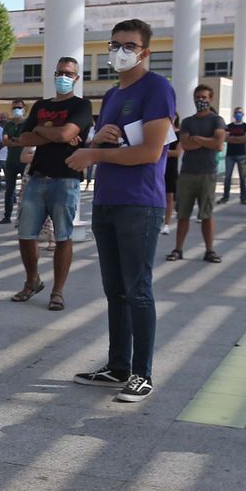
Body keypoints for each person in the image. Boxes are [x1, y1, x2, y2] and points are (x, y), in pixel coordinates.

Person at [67, 20, 174, 402]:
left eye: (129, 45)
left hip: (140, 202)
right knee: (115, 290)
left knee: (138, 290)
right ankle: (118, 366)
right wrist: (98, 140)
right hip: (107, 200)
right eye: (115, 44)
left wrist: (91, 152)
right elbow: (112, 146)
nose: (120, 51)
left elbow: (150, 152)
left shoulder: (157, 88)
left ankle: (142, 373)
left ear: (146, 51)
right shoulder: (111, 94)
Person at [12, 57, 94, 311]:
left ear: (76, 78)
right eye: (59, 72)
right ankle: (32, 281)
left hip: (66, 180)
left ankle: (58, 291)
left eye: (69, 73)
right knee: (25, 235)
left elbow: (64, 135)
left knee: (63, 237)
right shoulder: (41, 105)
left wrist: (43, 131)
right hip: (37, 178)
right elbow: (23, 137)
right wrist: (52, 132)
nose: (64, 77)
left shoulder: (82, 106)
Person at [168, 85, 225, 263]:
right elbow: (186, 144)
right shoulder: (187, 122)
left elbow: (218, 143)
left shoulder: (217, 120)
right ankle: (178, 249)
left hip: (207, 173)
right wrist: (205, 141)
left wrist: (197, 139)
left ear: (211, 99)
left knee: (206, 214)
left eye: (204, 97)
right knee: (183, 214)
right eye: (198, 96)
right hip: (187, 173)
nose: (201, 100)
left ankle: (209, 250)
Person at [0, 101, 29, 224]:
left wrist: (14, 140)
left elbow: (27, 141)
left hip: (24, 161)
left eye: (19, 107)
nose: (17, 110)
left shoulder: (28, 124)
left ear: (24, 109)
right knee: (9, 190)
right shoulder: (8, 125)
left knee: (26, 191)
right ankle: (7, 216)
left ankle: (24, 217)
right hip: (10, 161)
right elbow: (5, 142)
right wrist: (18, 141)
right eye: (14, 108)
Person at [220, 106, 246, 204]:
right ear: (234, 114)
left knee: (243, 178)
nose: (238, 114)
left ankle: (243, 197)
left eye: (240, 112)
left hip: (241, 154)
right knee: (227, 177)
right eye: (237, 112)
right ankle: (225, 197)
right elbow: (225, 138)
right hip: (230, 154)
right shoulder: (228, 126)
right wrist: (239, 139)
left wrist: (233, 138)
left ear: (243, 115)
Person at [161, 113, 181, 235]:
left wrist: (160, 151)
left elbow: (177, 153)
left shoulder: (178, 133)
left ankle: (167, 223)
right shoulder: (161, 131)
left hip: (171, 167)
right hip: (159, 167)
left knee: (170, 196)